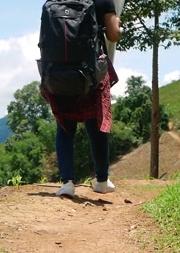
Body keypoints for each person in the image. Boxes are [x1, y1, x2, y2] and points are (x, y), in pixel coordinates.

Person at [41, 0, 122, 197]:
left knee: (65, 127)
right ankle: (102, 180)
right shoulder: (102, 1)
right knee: (96, 123)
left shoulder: (53, 2)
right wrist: (117, 23)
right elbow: (113, 34)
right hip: (90, 72)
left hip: (57, 74)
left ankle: (67, 182)